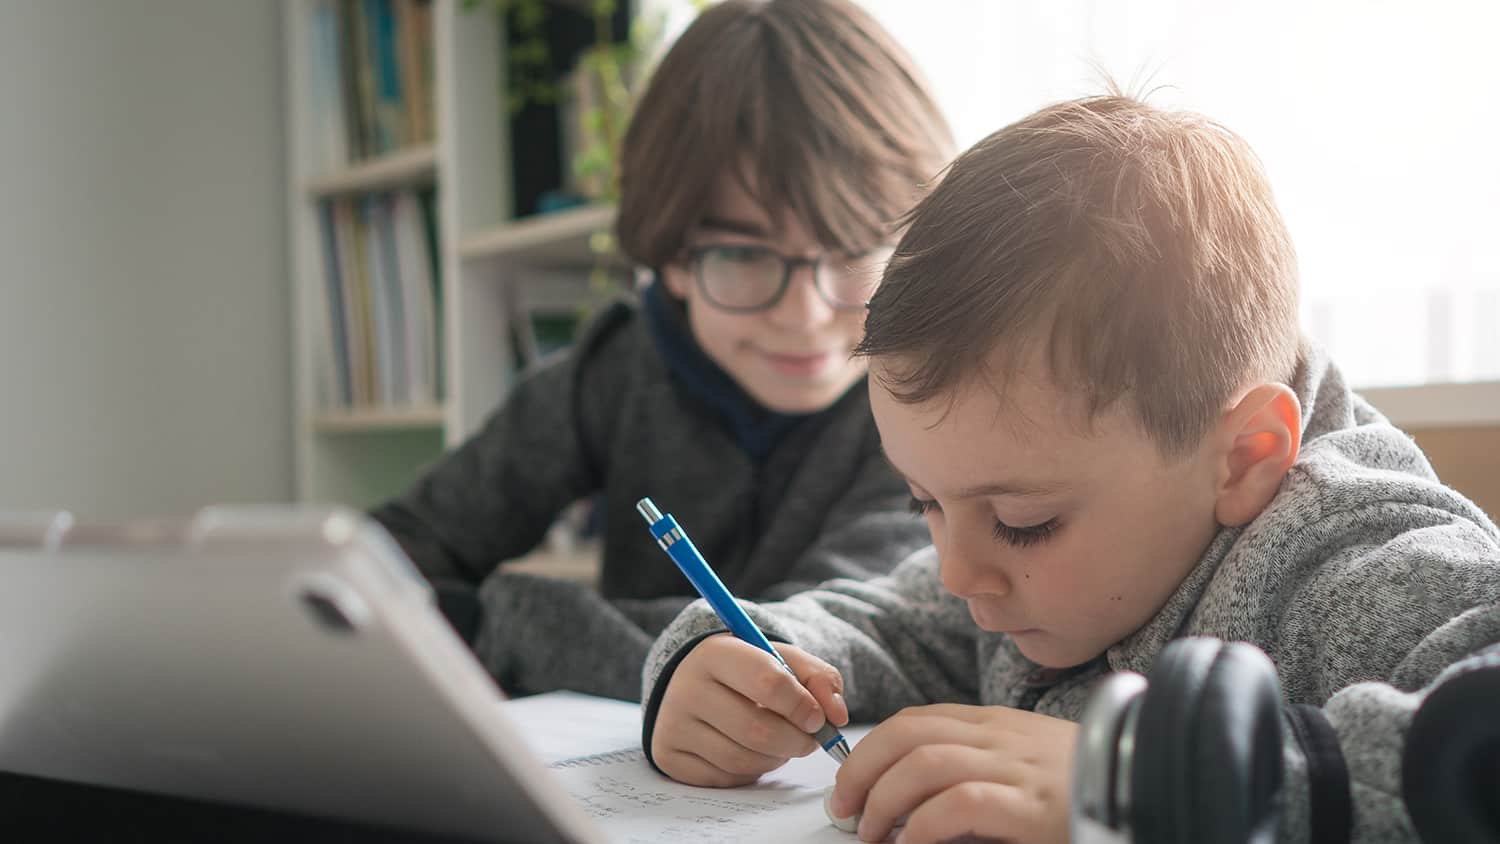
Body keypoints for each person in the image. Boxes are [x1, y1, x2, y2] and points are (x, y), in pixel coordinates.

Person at [640, 93, 1500, 844]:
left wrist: (1154, 781)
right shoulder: (1012, 569)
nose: (958, 570)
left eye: (1024, 522)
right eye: (923, 505)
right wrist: (729, 666)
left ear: (1243, 457)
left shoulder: (1362, 566)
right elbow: (884, 623)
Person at [369, 0, 955, 701]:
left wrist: (487, 623)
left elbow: (790, 659)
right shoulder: (622, 363)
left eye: (856, 252)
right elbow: (400, 548)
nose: (804, 316)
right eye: (743, 254)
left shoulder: (929, 405)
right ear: (671, 256)